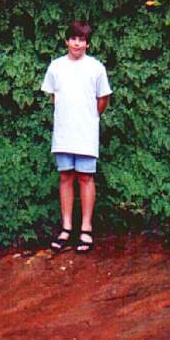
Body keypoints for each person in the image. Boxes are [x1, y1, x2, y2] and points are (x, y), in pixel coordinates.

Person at [41, 20, 112, 253]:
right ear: (66, 41)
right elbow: (53, 96)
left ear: (87, 44)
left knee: (85, 178)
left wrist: (90, 117)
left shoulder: (96, 68)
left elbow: (103, 99)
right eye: (73, 39)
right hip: (63, 132)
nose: (77, 44)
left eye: (81, 40)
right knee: (65, 176)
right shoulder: (56, 67)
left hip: (86, 133)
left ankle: (86, 229)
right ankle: (66, 228)